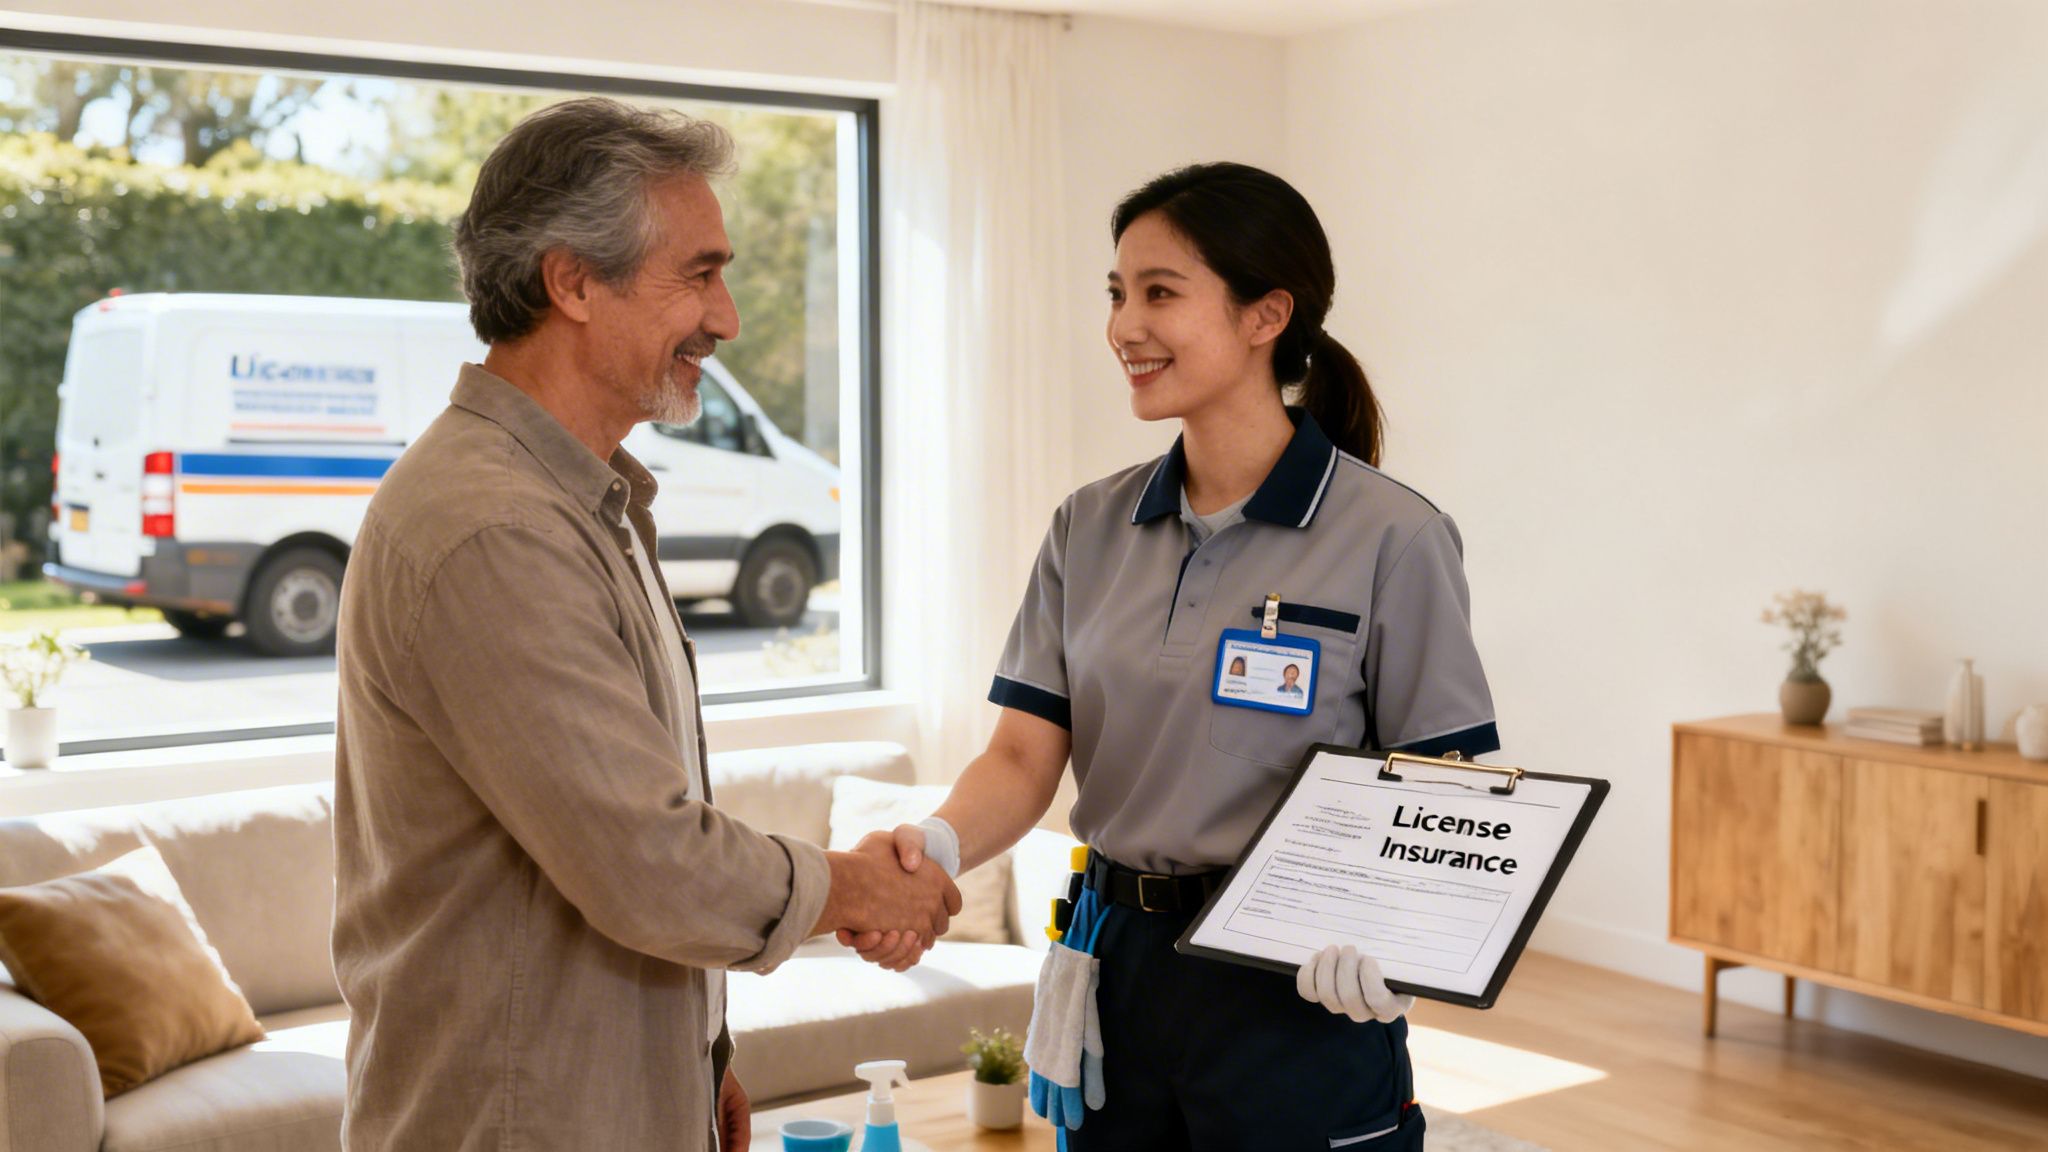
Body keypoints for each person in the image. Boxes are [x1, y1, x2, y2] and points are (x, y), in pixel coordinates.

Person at [333, 98, 959, 1152]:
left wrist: (694, 1051)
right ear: (571, 280)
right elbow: (647, 861)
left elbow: (611, 826)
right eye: (697, 274)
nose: (727, 319)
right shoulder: (491, 527)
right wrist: (854, 885)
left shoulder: (587, 505)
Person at [842, 162, 1497, 1150]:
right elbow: (1023, 756)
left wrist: (1395, 944)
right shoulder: (1088, 525)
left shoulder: (1390, 536)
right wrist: (930, 850)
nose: (1122, 327)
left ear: (1264, 314)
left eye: (1158, 292)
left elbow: (1441, 787)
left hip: (1296, 976)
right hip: (1119, 965)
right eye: (1115, 293)